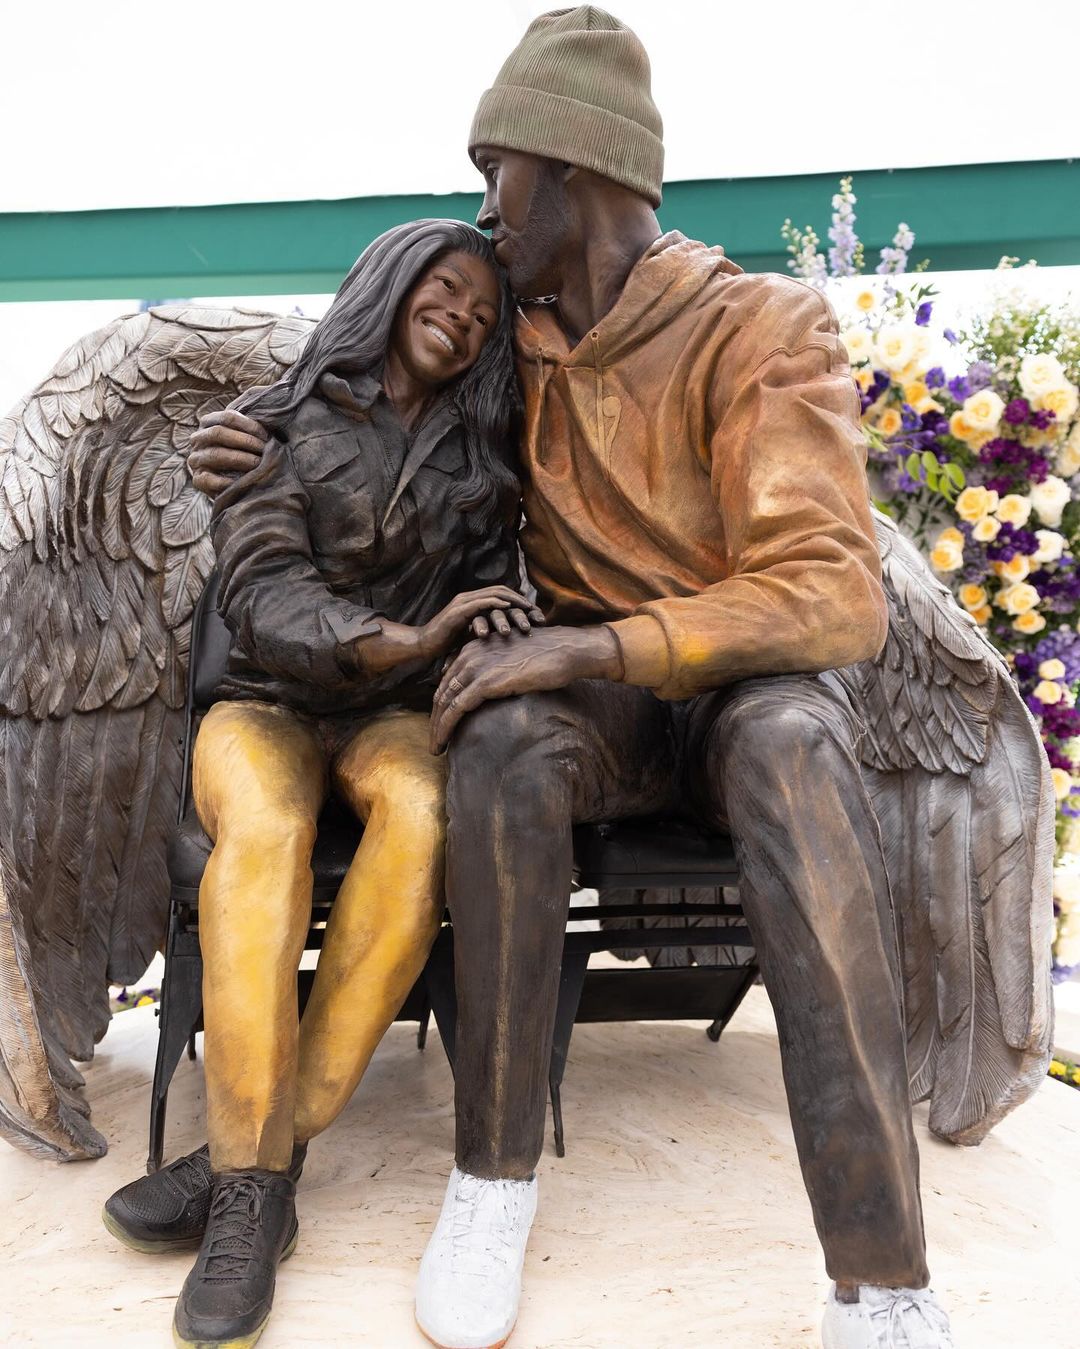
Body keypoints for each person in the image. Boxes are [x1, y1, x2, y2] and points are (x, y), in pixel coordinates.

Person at [190, 10, 957, 1348]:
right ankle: (489, 1185)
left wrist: (593, 643)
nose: (485, 214)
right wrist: (248, 436)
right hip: (589, 704)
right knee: (497, 742)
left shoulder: (760, 326)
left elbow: (832, 596)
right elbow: (359, 377)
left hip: (742, 685)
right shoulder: (508, 342)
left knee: (793, 754)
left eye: (500, 177)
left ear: (573, 173)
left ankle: (883, 1279)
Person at [101, 218, 539, 1349]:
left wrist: (488, 632)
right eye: (447, 292)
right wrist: (408, 632)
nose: (465, 317)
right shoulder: (274, 426)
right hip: (261, 698)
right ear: (394, 289)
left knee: (428, 807)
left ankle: (255, 1166)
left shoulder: (488, 468)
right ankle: (256, 1197)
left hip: (391, 717)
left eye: (485, 315)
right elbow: (265, 593)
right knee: (267, 824)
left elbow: (486, 606)